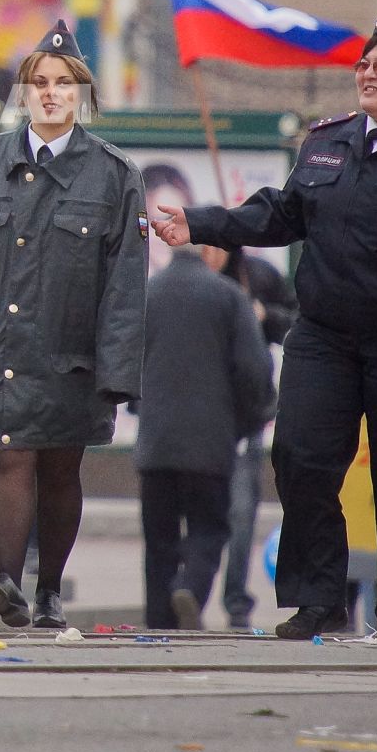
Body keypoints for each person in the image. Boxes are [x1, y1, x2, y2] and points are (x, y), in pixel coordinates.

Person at [153, 6, 377, 645]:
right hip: (326, 337)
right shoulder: (328, 141)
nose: (366, 71)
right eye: (363, 62)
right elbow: (280, 214)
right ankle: (317, 600)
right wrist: (198, 225)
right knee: (301, 459)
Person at [0, 19, 147, 629]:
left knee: (59, 468)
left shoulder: (114, 175)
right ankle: (11, 583)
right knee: (10, 458)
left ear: (82, 95)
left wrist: (119, 372)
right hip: (0, 350)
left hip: (72, 356)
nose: (51, 93)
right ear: (23, 94)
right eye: (39, 82)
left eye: (64, 83)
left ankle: (49, 592)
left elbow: (125, 283)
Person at [136, 241, 275, 630]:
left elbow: (125, 359)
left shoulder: (148, 293)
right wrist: (248, 419)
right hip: (211, 441)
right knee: (209, 528)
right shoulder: (229, 296)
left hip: (156, 441)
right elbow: (254, 370)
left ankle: (159, 626)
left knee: (159, 541)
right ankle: (191, 589)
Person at [206, 244, 294, 630]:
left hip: (244, 417)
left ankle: (236, 599)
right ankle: (190, 591)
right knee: (202, 513)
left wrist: (264, 314)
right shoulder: (198, 283)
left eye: (216, 248)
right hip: (204, 412)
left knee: (242, 513)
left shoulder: (257, 275)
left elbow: (293, 319)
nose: (210, 255)